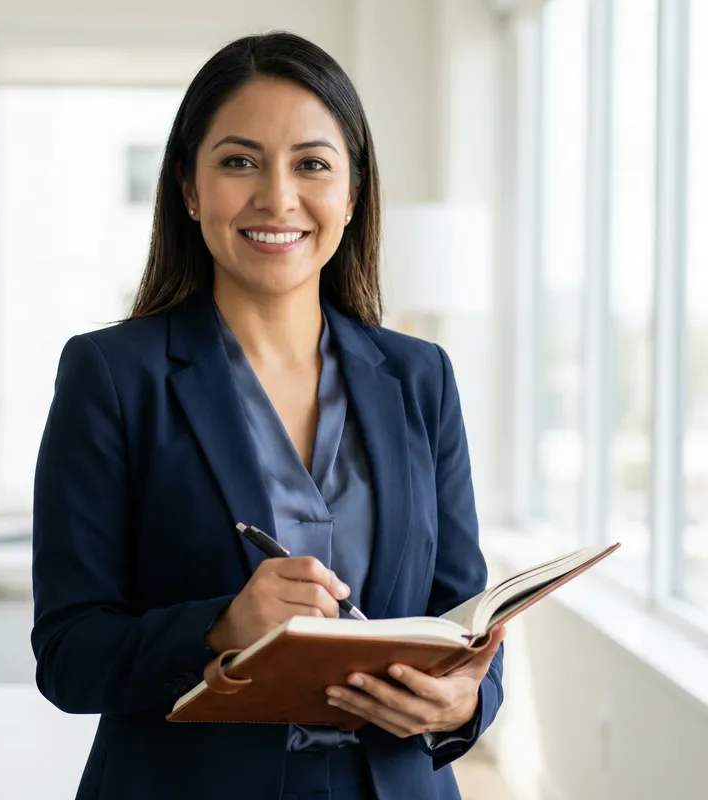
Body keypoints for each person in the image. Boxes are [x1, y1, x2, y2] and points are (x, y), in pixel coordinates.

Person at [31, 31, 505, 800]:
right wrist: (220, 628)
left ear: (352, 194)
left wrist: (465, 702)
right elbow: (67, 653)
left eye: (312, 164)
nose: (277, 197)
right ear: (188, 187)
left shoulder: (422, 378)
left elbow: (462, 621)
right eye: (239, 161)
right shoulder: (111, 376)